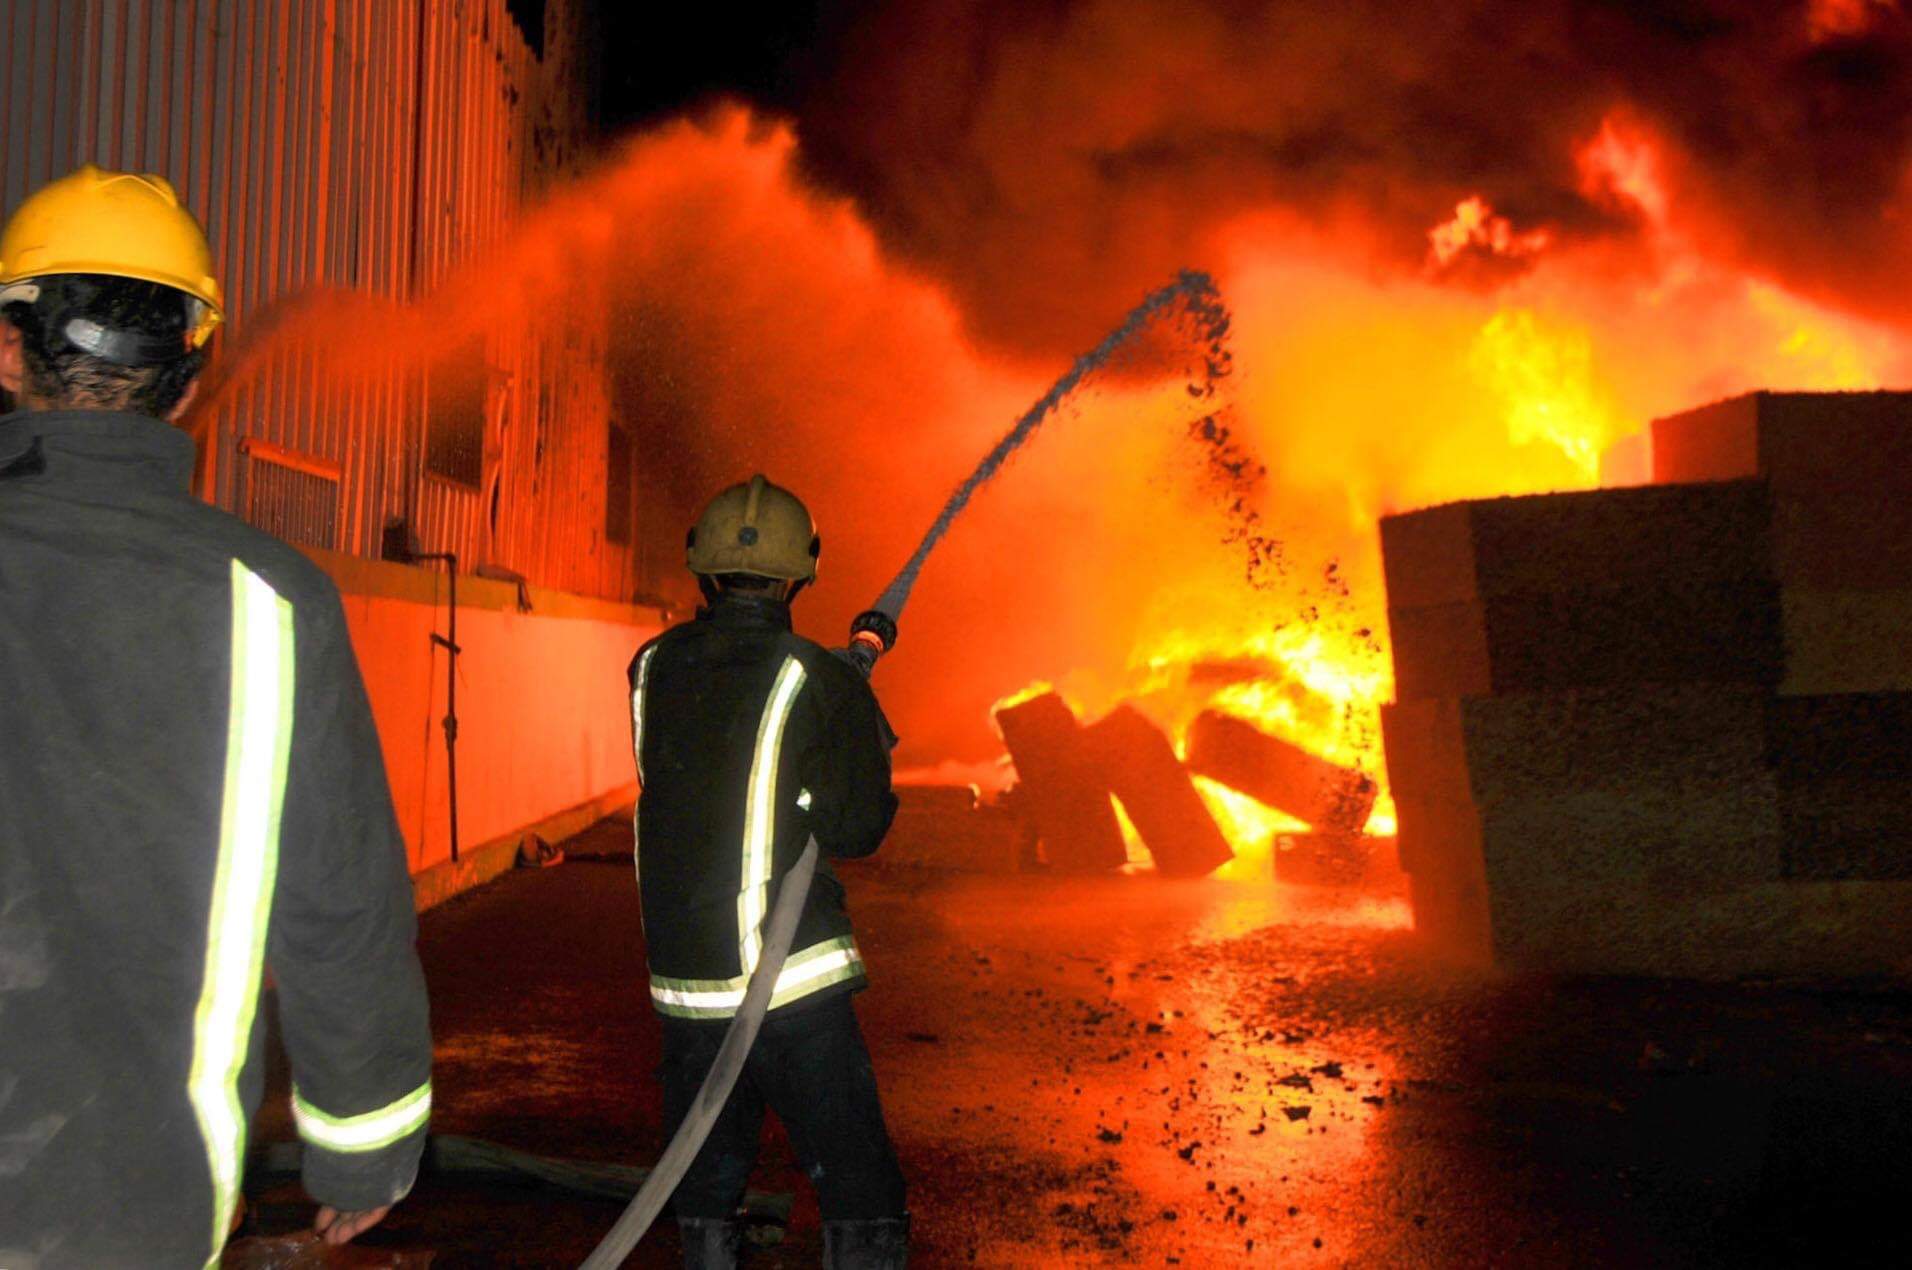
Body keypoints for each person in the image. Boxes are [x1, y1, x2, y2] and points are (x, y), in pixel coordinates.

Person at [0, 165, 433, 1268]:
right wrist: (363, 1146)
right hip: (137, 1197)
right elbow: (340, 903)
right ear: (191, 375)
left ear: (6, 351)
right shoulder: (272, 602)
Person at [629, 475, 909, 1268]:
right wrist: (848, 719)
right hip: (791, 991)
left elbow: (724, 755)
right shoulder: (814, 680)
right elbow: (856, 827)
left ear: (701, 569)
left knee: (706, 1190)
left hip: (687, 989)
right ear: (800, 575)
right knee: (860, 1190)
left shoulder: (651, 668)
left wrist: (832, 701)